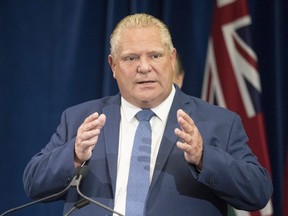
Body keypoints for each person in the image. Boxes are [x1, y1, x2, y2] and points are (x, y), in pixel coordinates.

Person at [23, 13, 273, 216]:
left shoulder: (218, 122)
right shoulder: (81, 118)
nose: (144, 67)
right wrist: (75, 156)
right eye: (131, 58)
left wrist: (204, 157)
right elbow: (34, 185)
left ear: (171, 59)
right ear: (113, 65)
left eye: (155, 55)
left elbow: (258, 193)